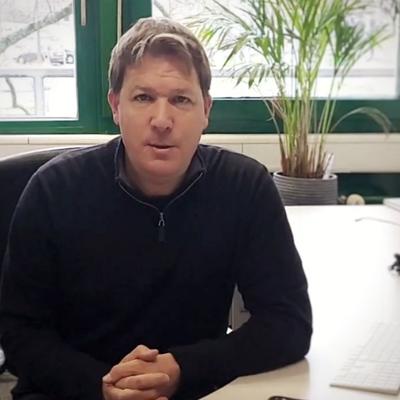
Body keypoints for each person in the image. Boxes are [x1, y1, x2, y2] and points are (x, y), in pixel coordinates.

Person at [0, 17, 312, 400]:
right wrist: (103, 387)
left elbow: (288, 323)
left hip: (192, 391)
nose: (162, 121)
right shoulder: (53, 189)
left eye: (181, 100)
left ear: (206, 110)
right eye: (143, 98)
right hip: (69, 393)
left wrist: (181, 369)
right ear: (115, 105)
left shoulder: (244, 187)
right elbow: (19, 333)